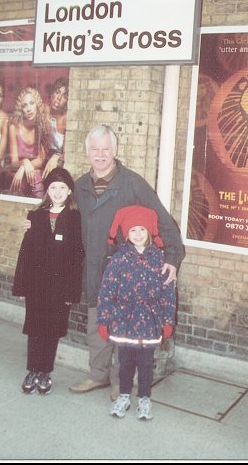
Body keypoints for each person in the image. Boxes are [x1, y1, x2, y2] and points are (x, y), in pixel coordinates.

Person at [68, 125, 185, 399]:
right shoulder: (79, 187)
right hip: (93, 272)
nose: (100, 155)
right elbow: (58, 211)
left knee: (123, 328)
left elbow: (164, 221)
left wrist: (172, 258)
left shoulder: (132, 184)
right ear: (87, 153)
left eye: (105, 149)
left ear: (115, 151)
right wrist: (36, 219)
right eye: (94, 150)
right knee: (96, 326)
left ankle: (121, 382)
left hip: (127, 274)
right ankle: (97, 376)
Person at [97, 205, 176, 420]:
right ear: (126, 233)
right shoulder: (118, 260)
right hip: (124, 320)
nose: (138, 235)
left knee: (145, 363)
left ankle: (144, 398)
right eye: (133, 230)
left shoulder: (160, 259)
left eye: (142, 229)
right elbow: (106, 291)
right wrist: (103, 321)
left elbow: (168, 292)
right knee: (125, 361)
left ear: (149, 231)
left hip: (150, 321)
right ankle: (123, 396)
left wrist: (167, 320)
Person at [12, 167, 84, 395]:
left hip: (60, 289)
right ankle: (32, 369)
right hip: (36, 286)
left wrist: (72, 292)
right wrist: (21, 285)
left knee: (52, 330)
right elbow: (26, 253)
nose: (57, 191)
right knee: (35, 329)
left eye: (62, 187)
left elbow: (76, 258)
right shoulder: (36, 216)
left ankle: (45, 372)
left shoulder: (75, 219)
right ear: (47, 190)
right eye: (53, 187)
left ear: (69, 190)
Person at [8, 87, 50, 198]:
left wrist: (25, 166)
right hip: (17, 173)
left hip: (33, 172)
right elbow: (13, 162)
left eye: (31, 103)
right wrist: (24, 163)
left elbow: (41, 160)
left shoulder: (41, 125)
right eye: (24, 105)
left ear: (37, 105)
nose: (28, 109)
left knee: (36, 176)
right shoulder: (14, 127)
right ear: (21, 109)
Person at [42, 77, 69, 180]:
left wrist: (56, 156)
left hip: (60, 161)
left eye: (64, 96)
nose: (59, 98)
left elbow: (66, 152)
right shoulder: (44, 111)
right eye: (57, 92)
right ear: (52, 93)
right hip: (44, 157)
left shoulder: (66, 119)